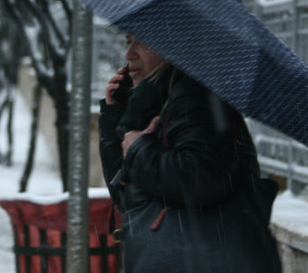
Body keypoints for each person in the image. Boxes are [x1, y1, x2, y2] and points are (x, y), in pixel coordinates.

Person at [99, 33, 282, 272]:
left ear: (173, 47)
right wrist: (115, 117)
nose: (129, 54)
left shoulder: (195, 98)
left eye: (142, 42)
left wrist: (138, 149)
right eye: (127, 41)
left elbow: (198, 177)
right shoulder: (158, 102)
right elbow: (126, 196)